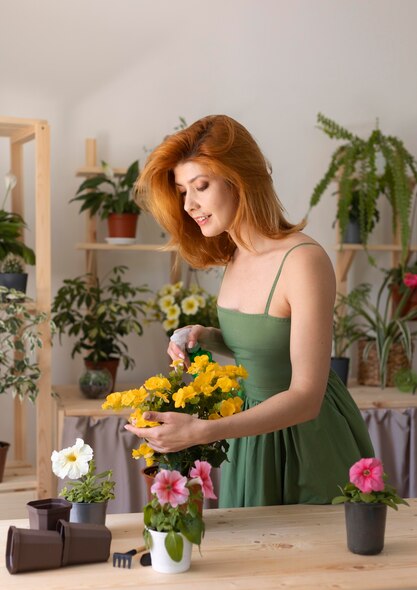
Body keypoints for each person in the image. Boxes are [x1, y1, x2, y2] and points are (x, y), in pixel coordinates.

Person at [126, 114, 374, 507]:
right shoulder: (236, 255)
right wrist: (206, 335)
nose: (189, 204)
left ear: (239, 179)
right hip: (251, 437)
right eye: (181, 191)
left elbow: (307, 396)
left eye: (201, 187)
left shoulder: (303, 261)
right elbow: (266, 347)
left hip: (304, 442)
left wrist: (201, 431)